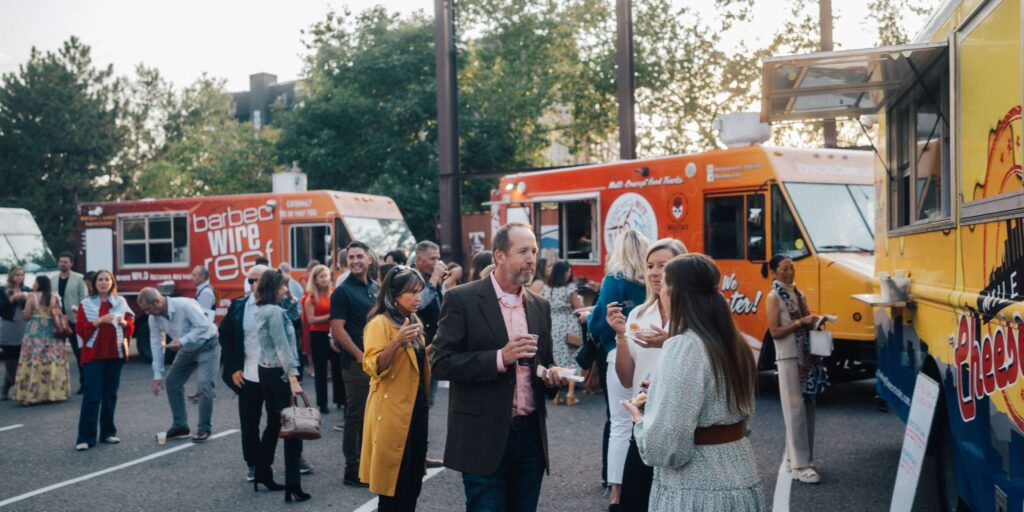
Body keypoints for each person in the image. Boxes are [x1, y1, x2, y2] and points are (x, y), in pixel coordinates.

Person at [431, 222, 566, 511]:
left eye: (534, 250)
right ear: (499, 256)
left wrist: (550, 373)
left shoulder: (539, 304)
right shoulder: (462, 299)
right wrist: (499, 358)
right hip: (483, 435)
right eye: (523, 251)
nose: (531, 258)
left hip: (530, 436)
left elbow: (543, 359)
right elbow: (441, 362)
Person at [622, 253, 764, 511]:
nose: (660, 291)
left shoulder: (683, 346)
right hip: (741, 473)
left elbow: (666, 447)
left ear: (676, 293)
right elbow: (743, 418)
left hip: (697, 488)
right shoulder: (735, 342)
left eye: (664, 284)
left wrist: (640, 420)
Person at [607, 238, 686, 511]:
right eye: (650, 266)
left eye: (662, 266)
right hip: (644, 423)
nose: (653, 272)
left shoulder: (693, 317)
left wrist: (669, 341)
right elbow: (626, 378)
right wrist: (619, 336)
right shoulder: (639, 314)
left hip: (681, 425)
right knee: (637, 501)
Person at [360, 265, 431, 510]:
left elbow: (417, 365)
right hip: (391, 411)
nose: (417, 297)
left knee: (412, 482)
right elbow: (372, 366)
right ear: (394, 294)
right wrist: (397, 341)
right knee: (393, 487)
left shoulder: (411, 320)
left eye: (419, 291)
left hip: (415, 410)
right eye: (411, 292)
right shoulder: (379, 323)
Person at [587, 229, 648, 506]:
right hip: (650, 351)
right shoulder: (651, 278)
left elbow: (599, 321)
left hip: (619, 351)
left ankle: (617, 492)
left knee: (621, 424)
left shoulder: (615, 278)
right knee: (649, 418)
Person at [766, 254, 827, 484]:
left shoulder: (797, 293)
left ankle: (801, 458)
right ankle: (801, 465)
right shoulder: (774, 297)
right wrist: (802, 322)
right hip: (789, 356)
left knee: (808, 407)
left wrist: (814, 320)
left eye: (791, 268)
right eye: (783, 269)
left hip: (805, 356)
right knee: (795, 411)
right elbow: (774, 331)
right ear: (773, 272)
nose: (789, 273)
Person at [251, 270, 310, 503]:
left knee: (274, 425)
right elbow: (283, 347)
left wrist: (291, 302)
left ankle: (262, 473)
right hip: (280, 374)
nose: (287, 290)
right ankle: (293, 487)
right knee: (293, 430)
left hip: (266, 371)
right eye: (284, 287)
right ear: (274, 288)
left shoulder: (264, 310)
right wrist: (294, 378)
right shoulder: (274, 313)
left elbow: (293, 316)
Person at [138, 287, 220, 443]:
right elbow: (156, 344)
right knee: (172, 383)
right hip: (186, 348)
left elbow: (205, 327)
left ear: (158, 302)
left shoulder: (185, 305)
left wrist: (182, 341)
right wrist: (157, 375)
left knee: (204, 385)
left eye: (148, 309)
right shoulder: (153, 318)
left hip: (207, 345)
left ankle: (204, 429)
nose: (147, 313)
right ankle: (180, 426)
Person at [330, 241, 378, 487]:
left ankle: (369, 465)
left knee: (374, 416)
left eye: (360, 256)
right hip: (356, 363)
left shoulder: (375, 288)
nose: (356, 261)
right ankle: (353, 470)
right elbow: (338, 330)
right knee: (356, 416)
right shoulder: (342, 291)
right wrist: (361, 356)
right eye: (351, 257)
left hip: (378, 362)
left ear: (369, 259)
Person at [74, 270, 134, 451]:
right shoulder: (86, 304)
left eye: (107, 279)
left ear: (112, 282)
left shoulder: (121, 302)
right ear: (94, 283)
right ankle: (85, 437)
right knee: (92, 395)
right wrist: (100, 321)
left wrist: (124, 323)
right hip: (93, 354)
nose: (103, 282)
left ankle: (108, 432)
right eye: (100, 279)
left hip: (114, 353)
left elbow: (130, 325)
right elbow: (81, 330)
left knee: (110, 395)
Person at [220, 264, 268, 481]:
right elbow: (226, 339)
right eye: (250, 280)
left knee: (281, 420)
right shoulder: (238, 305)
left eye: (259, 279)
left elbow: (292, 339)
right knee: (249, 423)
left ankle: (295, 457)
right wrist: (232, 369)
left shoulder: (281, 304)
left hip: (275, 374)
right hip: (247, 374)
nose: (254, 284)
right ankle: (253, 464)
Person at [12, 275, 70, 405]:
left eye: (35, 282)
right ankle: (53, 393)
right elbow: (58, 313)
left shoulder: (32, 297)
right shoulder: (54, 297)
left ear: (39, 284)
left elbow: (26, 316)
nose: (33, 284)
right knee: (51, 360)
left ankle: (33, 394)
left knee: (33, 360)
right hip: (51, 332)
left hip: (35, 333)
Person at [539, 260, 584, 406]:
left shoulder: (546, 288)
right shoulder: (570, 288)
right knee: (572, 357)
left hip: (552, 325)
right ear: (563, 272)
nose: (569, 273)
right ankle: (570, 394)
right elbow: (578, 309)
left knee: (557, 358)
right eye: (568, 271)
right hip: (568, 325)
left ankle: (557, 395)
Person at [303, 264, 342, 414]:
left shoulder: (334, 293)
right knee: (321, 371)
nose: (325, 279)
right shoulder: (311, 298)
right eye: (322, 276)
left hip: (334, 333)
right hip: (318, 335)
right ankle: (322, 403)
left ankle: (340, 400)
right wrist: (330, 316)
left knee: (338, 368)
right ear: (315, 280)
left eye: (327, 275)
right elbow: (311, 320)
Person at [56, 252, 88, 393]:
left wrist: (79, 314)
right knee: (56, 354)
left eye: (65, 262)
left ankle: (84, 384)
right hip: (57, 322)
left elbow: (84, 299)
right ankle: (58, 386)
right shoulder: (52, 280)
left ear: (71, 264)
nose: (63, 264)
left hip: (74, 321)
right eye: (61, 261)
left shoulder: (79, 279)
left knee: (79, 353)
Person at [1, 267, 30, 400]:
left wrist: (26, 296)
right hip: (9, 328)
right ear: (11, 276)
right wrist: (12, 299)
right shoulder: (2, 290)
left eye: (22, 275)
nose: (19, 277)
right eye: (17, 275)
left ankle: (19, 390)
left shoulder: (27, 289)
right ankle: (7, 386)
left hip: (24, 328)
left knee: (23, 362)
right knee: (11, 363)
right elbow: (2, 309)